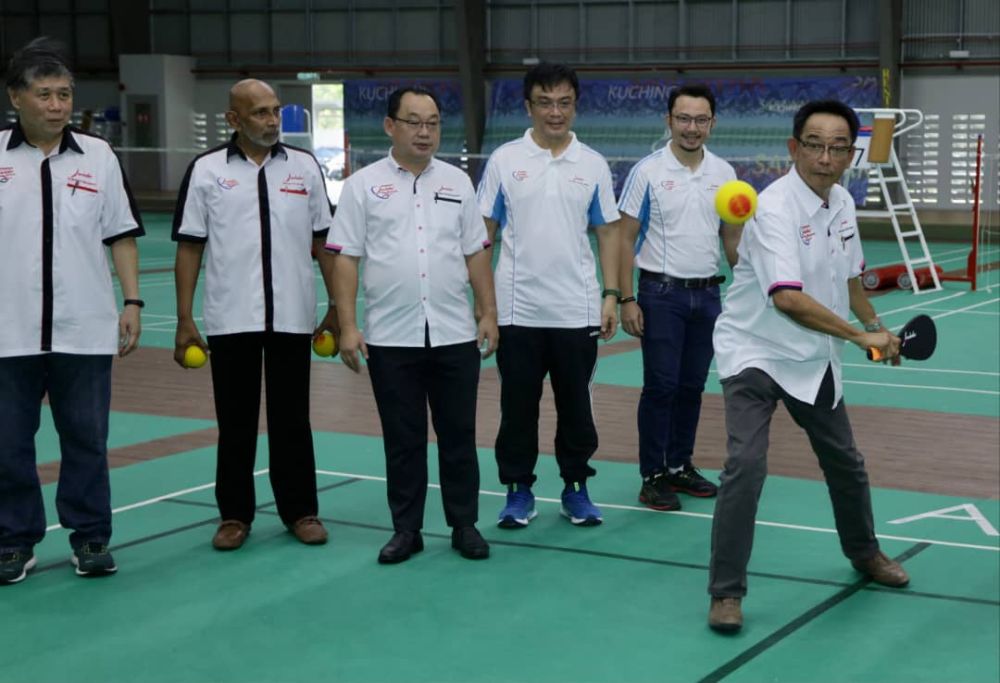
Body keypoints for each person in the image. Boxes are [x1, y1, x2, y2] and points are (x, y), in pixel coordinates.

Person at [707, 100, 910, 633]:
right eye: (814, 145)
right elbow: (788, 301)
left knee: (845, 461)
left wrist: (877, 326)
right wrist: (859, 335)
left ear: (850, 154)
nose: (825, 157)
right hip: (754, 350)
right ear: (794, 149)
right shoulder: (773, 209)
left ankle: (864, 553)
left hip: (812, 358)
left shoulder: (842, 202)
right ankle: (726, 592)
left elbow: (849, 280)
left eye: (837, 146)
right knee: (745, 466)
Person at [327, 86, 498, 564]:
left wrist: (487, 312)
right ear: (390, 126)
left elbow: (476, 252)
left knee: (459, 435)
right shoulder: (362, 186)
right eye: (414, 122)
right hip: (390, 336)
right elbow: (345, 260)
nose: (425, 132)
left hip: (453, 334)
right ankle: (407, 529)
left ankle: (464, 524)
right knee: (403, 440)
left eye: (433, 123)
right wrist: (347, 325)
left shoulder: (459, 183)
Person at [0, 37, 143, 584]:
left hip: (83, 331)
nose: (58, 105)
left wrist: (131, 301)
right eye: (45, 94)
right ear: (17, 97)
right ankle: (14, 541)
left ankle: (90, 539)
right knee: (9, 443)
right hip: (8, 334)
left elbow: (122, 235)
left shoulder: (99, 156)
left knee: (87, 440)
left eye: (64, 94)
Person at [173, 79, 337, 551]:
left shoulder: (304, 168)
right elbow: (190, 247)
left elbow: (323, 241)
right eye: (261, 112)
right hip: (231, 319)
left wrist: (334, 308)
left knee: (293, 420)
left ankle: (301, 510)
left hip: (292, 318)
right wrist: (185, 319)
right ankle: (234, 516)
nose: (272, 121)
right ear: (233, 120)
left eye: (276, 111)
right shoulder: (205, 172)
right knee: (236, 422)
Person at [478, 62, 620, 529]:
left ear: (575, 106)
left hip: (576, 311)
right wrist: (487, 309)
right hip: (518, 313)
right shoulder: (504, 161)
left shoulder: (593, 164)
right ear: (528, 107)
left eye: (564, 103)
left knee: (576, 408)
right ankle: (518, 490)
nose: (554, 113)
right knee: (516, 408)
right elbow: (484, 234)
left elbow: (608, 234)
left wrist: (611, 295)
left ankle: (576, 486)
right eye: (545, 102)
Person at [618, 84, 742, 512]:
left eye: (701, 119)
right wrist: (625, 299)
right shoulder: (647, 172)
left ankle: (679, 465)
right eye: (684, 118)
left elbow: (732, 239)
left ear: (713, 123)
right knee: (661, 387)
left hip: (708, 296)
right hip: (661, 294)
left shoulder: (725, 174)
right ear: (669, 120)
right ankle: (652, 475)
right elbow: (623, 236)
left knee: (692, 387)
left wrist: (750, 286)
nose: (692, 128)